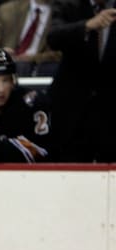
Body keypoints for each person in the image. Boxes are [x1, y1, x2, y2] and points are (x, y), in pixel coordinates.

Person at [46, 0, 116, 162]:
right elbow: (53, 37)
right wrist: (87, 25)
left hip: (111, 113)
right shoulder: (70, 4)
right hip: (72, 113)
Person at [0, 0, 61, 76]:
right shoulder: (9, 10)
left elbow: (59, 54)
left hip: (40, 67)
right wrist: (0, 53)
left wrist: (32, 58)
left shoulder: (63, 13)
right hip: (8, 65)